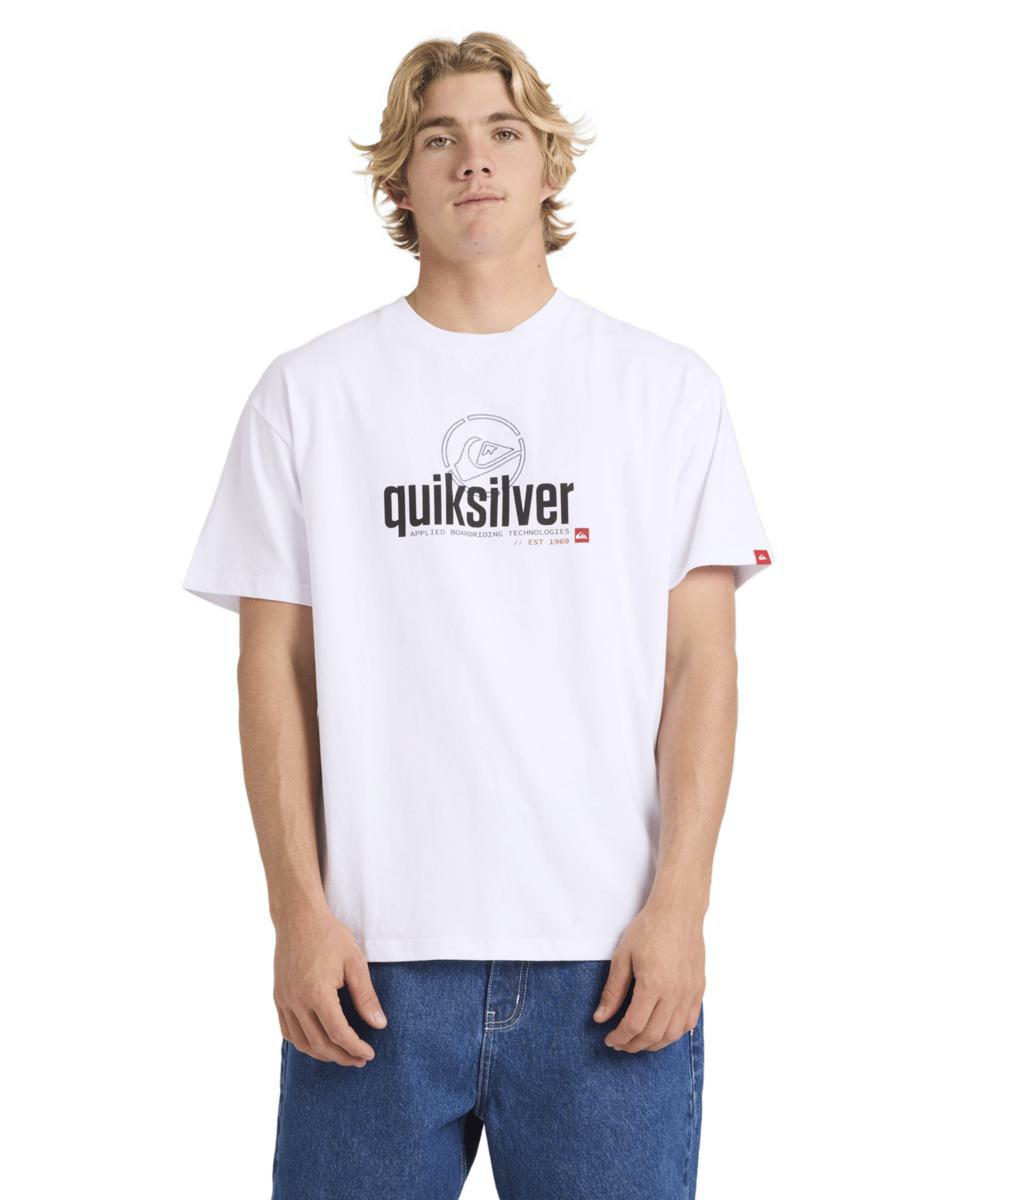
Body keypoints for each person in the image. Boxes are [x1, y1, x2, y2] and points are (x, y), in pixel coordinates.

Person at [182, 31, 773, 1200]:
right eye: (438, 139)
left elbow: (701, 667)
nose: (473, 160)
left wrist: (681, 909)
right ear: (398, 182)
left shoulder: (663, 389)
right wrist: (297, 914)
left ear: (549, 164)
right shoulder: (310, 395)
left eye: (504, 132)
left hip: (607, 964)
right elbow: (272, 672)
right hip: (370, 970)